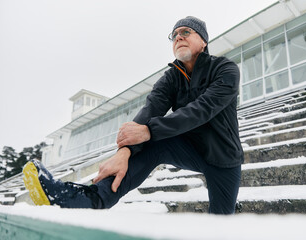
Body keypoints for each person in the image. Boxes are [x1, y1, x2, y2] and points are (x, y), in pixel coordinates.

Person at [23, 16, 244, 214]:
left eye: (185, 32)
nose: (178, 37)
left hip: (223, 158)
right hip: (189, 148)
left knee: (221, 221)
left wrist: (148, 131)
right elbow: (149, 111)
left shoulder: (225, 69)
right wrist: (125, 151)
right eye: (174, 35)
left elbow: (202, 109)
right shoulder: (170, 78)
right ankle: (91, 199)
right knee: (155, 142)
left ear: (203, 41)